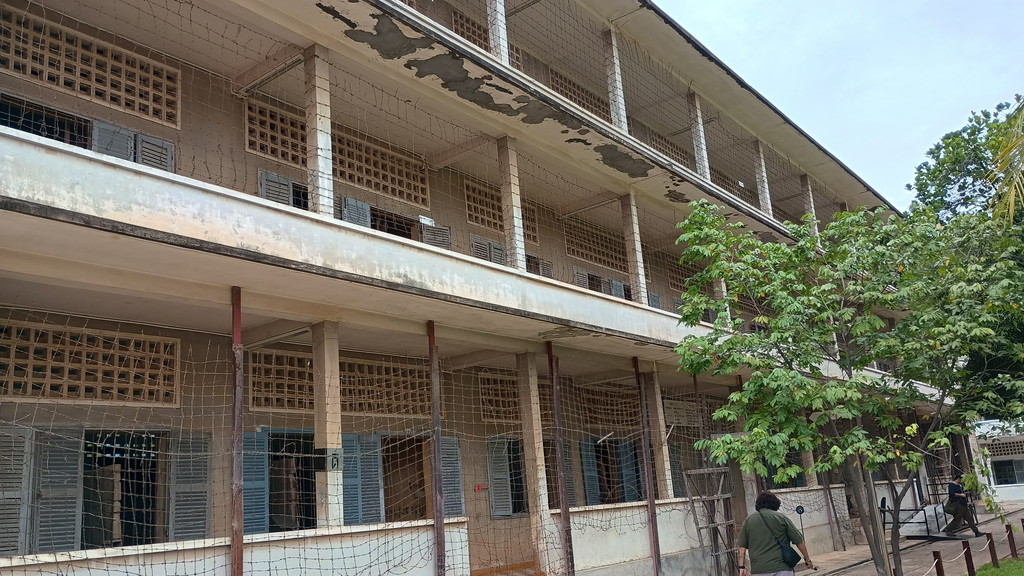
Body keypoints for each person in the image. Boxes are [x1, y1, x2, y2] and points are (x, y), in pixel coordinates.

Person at [738, 492, 814, 576]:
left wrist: (741, 567)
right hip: (782, 569)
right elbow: (798, 541)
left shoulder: (749, 520)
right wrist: (807, 559)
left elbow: (742, 547)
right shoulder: (781, 518)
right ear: (775, 504)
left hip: (759, 570)